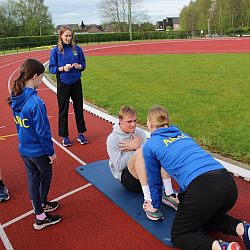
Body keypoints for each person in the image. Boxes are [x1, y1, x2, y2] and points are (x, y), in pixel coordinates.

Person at [143, 106, 250, 250]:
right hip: (228, 185)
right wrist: (183, 198)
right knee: (203, 217)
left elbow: (155, 181)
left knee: (179, 235)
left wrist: (154, 206)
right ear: (167, 121)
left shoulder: (150, 144)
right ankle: (243, 229)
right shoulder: (184, 135)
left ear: (149, 123)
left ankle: (220, 247)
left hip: (203, 188)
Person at [7, 59, 61, 230]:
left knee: (33, 179)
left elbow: (18, 124)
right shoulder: (36, 103)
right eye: (41, 77)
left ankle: (40, 208)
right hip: (38, 151)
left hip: (24, 149)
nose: (41, 80)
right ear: (35, 76)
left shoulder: (16, 97)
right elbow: (43, 132)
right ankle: (40, 215)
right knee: (45, 178)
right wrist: (50, 152)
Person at [106, 106, 179, 221]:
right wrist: (134, 148)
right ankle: (149, 200)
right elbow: (119, 166)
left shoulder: (139, 132)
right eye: (129, 122)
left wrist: (136, 147)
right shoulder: (112, 139)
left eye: (135, 121)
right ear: (120, 121)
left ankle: (168, 193)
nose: (133, 125)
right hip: (129, 179)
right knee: (141, 152)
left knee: (159, 152)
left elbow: (150, 154)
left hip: (149, 176)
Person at [49, 25, 88, 147]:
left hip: (76, 82)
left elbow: (83, 64)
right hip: (63, 83)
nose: (68, 38)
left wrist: (79, 66)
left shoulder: (77, 49)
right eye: (66, 36)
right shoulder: (55, 51)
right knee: (63, 110)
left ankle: (81, 133)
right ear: (61, 36)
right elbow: (51, 68)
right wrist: (63, 68)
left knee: (78, 109)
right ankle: (65, 136)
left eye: (70, 36)